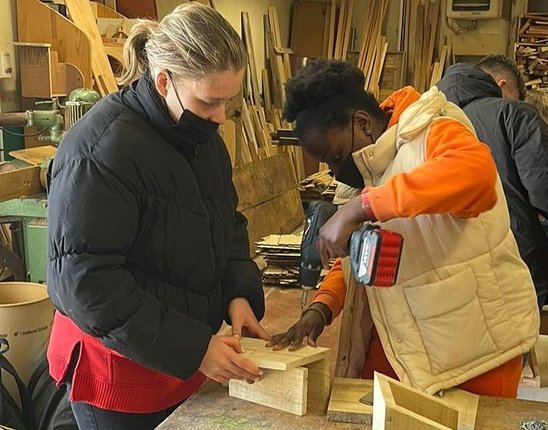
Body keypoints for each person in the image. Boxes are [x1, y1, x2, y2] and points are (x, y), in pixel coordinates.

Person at [46, 4, 268, 429]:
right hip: (118, 369)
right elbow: (86, 283)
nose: (221, 116)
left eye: (228, 101)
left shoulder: (202, 139)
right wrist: (194, 347)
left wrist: (237, 293)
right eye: (209, 101)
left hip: (181, 358)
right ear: (164, 80)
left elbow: (226, 224)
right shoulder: (101, 151)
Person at [268, 59, 539, 398]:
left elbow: (476, 177)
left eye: (336, 157)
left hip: (478, 355)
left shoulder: (433, 127)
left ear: (362, 123)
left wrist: (362, 206)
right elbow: (361, 259)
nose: (336, 172)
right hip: (411, 351)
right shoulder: (369, 170)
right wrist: (320, 309)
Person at [437, 63, 548, 309]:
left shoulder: (424, 122)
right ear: (501, 85)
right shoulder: (515, 114)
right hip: (515, 258)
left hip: (449, 265)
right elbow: (543, 191)